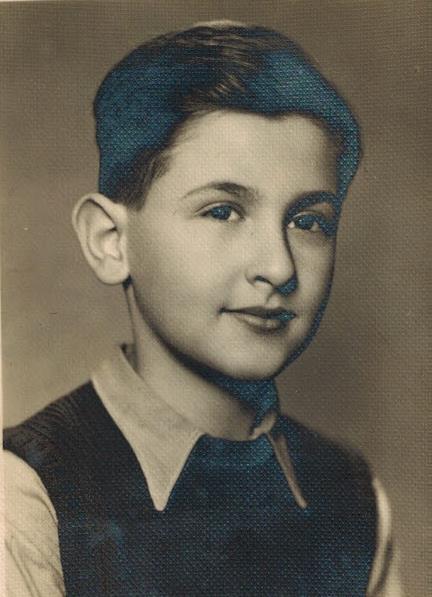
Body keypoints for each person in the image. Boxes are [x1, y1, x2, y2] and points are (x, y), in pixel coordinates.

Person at [4, 21, 403, 596]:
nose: (279, 267)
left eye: (308, 221)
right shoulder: (27, 496)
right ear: (110, 241)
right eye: (222, 211)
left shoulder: (352, 498)